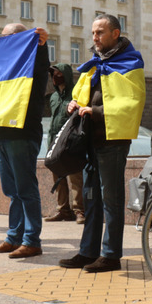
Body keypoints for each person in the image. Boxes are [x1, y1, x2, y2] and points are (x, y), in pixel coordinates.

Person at [58, 15, 145, 273]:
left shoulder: (130, 62)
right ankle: (88, 252)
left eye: (100, 33)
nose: (95, 38)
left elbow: (133, 102)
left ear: (115, 33)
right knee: (91, 197)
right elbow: (79, 93)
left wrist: (94, 112)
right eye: (93, 33)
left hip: (112, 139)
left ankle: (111, 255)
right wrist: (72, 104)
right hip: (89, 140)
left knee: (111, 199)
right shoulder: (96, 62)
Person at [0, 23, 50, 258]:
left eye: (8, 37)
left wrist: (41, 45)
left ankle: (32, 241)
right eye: (1, 36)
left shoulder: (31, 62)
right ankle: (14, 238)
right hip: (2, 132)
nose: (3, 40)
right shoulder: (4, 66)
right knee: (11, 190)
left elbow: (42, 66)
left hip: (22, 133)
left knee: (25, 189)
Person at [44, 63, 85, 224]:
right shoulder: (53, 97)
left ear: (66, 75)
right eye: (53, 74)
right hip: (54, 140)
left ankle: (79, 210)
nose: (55, 77)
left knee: (75, 176)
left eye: (59, 73)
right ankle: (63, 210)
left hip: (70, 140)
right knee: (58, 176)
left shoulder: (76, 92)